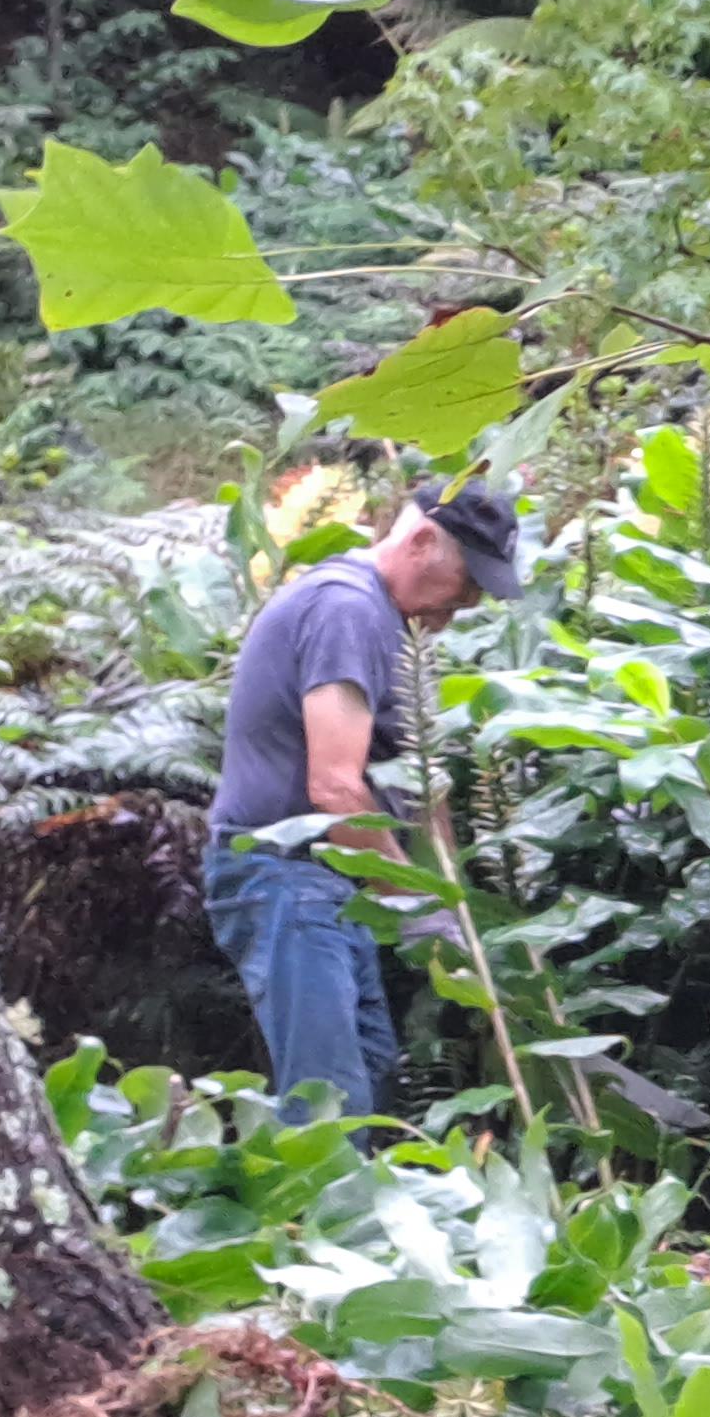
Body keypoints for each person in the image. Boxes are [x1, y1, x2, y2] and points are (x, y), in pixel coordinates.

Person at [205, 481, 524, 1125]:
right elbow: (335, 789)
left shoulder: (389, 621)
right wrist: (420, 907)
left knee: (372, 1086)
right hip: (287, 879)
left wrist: (454, 904)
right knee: (330, 1105)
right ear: (422, 541)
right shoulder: (346, 610)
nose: (469, 601)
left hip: (335, 885)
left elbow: (421, 781)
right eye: (467, 581)